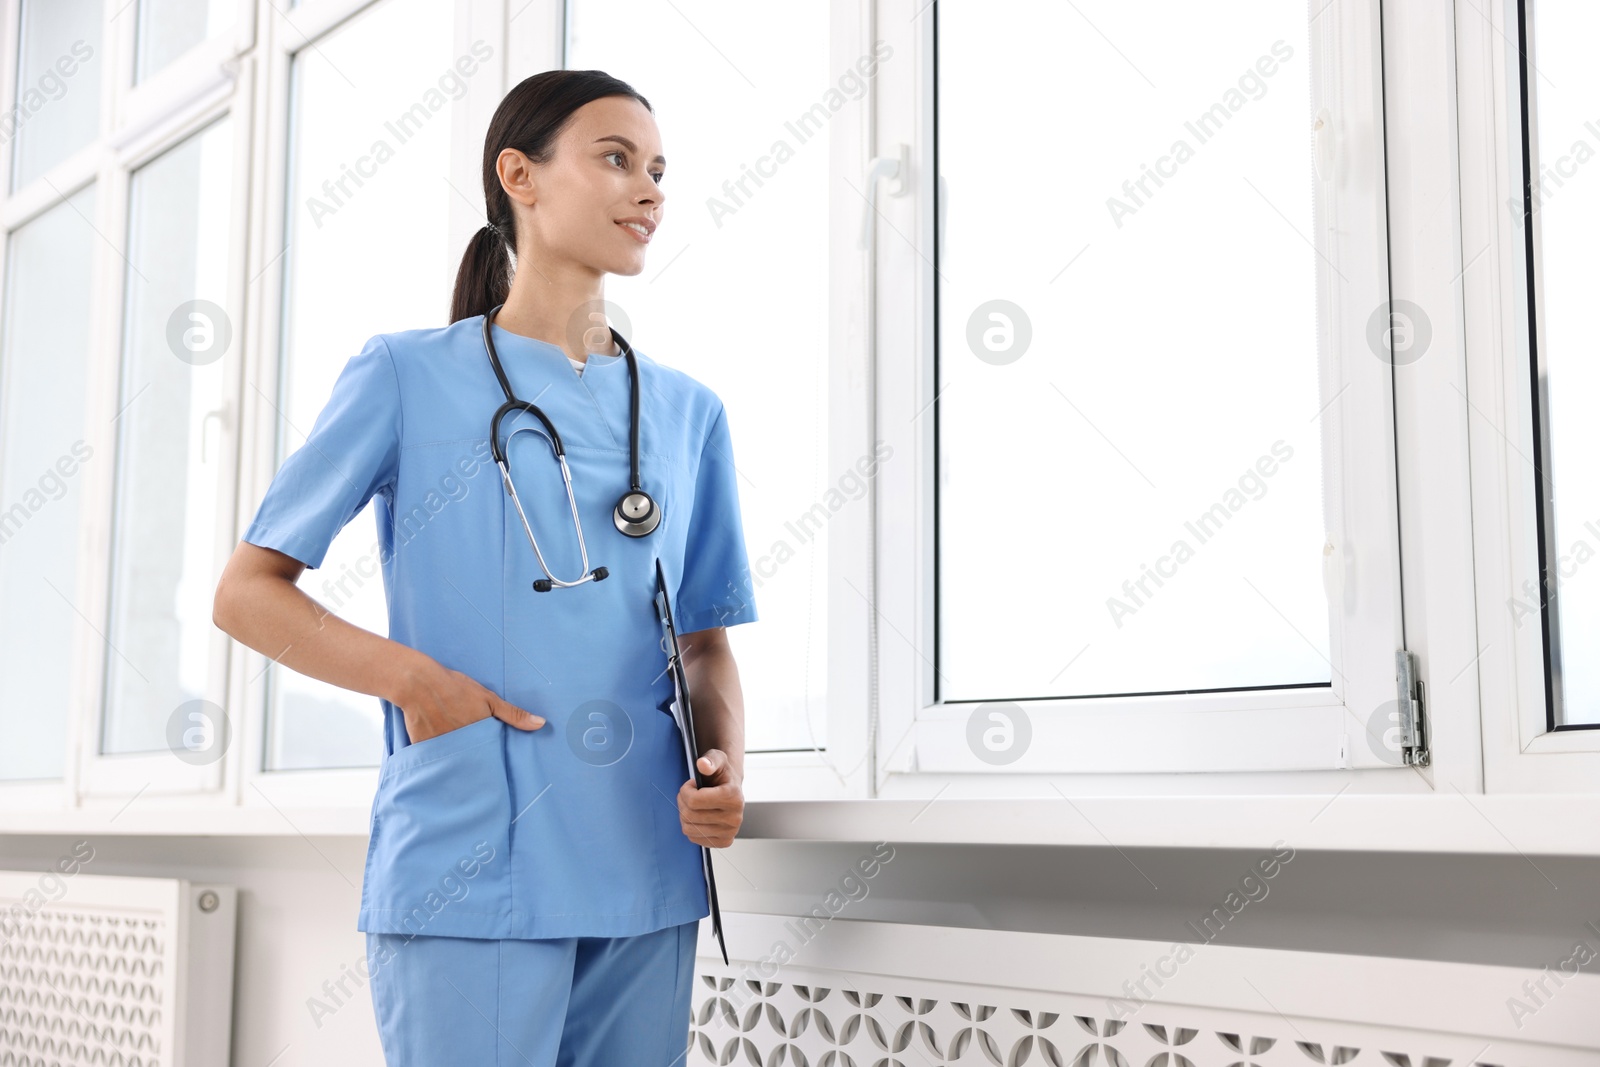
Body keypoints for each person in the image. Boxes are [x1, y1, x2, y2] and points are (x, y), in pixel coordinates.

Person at [212, 69, 758, 1065]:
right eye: (615, 159)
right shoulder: (407, 374)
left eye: (659, 170)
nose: (649, 190)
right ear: (521, 176)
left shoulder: (688, 412)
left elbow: (705, 640)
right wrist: (415, 682)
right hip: (474, 853)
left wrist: (721, 762)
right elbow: (246, 593)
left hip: (645, 861)